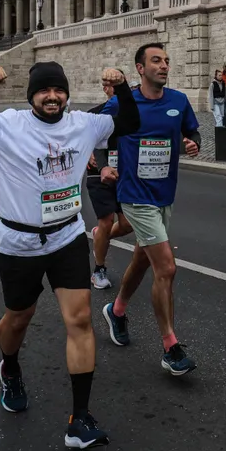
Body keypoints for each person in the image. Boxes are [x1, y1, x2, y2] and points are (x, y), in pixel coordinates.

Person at [0, 62, 138, 449]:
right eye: (44, 91)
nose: (52, 97)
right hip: (18, 241)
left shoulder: (84, 124)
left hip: (67, 236)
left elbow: (128, 123)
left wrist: (123, 87)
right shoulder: (5, 126)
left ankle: (80, 419)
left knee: (79, 319)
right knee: (19, 317)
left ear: (66, 94)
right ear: (32, 96)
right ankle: (9, 367)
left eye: (59, 91)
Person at [100, 43, 202, 377]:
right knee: (166, 268)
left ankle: (117, 310)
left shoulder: (178, 101)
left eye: (167, 61)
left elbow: (192, 130)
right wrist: (102, 166)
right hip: (135, 196)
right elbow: (91, 133)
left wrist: (192, 142)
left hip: (164, 195)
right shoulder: (121, 103)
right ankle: (171, 347)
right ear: (140, 69)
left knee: (142, 259)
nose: (164, 66)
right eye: (156, 61)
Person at [87, 70, 134, 290]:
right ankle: (99, 270)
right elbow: (83, 139)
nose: (113, 89)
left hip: (123, 175)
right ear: (105, 89)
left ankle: (100, 237)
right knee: (106, 221)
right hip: (99, 174)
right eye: (110, 85)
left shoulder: (131, 115)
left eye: (119, 84)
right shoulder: (94, 114)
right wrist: (91, 154)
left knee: (127, 224)